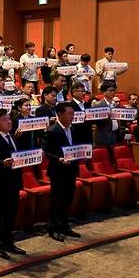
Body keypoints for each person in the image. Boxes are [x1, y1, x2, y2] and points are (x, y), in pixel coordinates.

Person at [0, 109, 25, 259]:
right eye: (4, 120)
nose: (9, 122)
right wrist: (2, 163)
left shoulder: (12, 137)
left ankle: (8, 242)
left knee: (10, 214)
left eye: (9, 119)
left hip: (14, 182)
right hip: (0, 184)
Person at [42, 102, 81, 242]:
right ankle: (53, 228)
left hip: (71, 169)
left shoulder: (74, 129)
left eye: (73, 113)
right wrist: (59, 159)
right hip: (58, 171)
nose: (72, 116)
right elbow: (46, 152)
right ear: (60, 114)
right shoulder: (52, 131)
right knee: (56, 200)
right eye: (69, 113)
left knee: (67, 199)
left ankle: (64, 225)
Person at [93, 82, 119, 148]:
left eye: (113, 91)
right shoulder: (97, 105)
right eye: (110, 90)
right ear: (104, 92)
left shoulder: (116, 105)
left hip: (114, 136)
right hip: (103, 136)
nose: (112, 92)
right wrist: (106, 116)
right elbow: (95, 121)